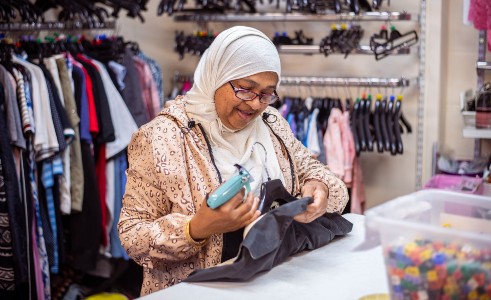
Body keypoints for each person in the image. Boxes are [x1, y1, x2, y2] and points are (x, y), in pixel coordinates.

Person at [118, 26, 348, 296]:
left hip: (273, 283)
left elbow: (316, 173)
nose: (255, 105)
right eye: (245, 89)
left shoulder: (272, 125)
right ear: (217, 76)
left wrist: (319, 188)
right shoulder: (161, 137)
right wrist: (196, 229)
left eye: (266, 94)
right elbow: (132, 235)